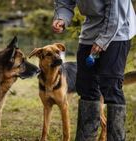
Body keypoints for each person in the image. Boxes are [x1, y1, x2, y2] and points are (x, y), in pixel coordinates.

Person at [52, 0, 136, 141]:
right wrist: (62, 17)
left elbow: (116, 12)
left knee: (110, 86)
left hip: (118, 30)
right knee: (86, 87)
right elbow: (64, 2)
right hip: (90, 31)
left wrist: (103, 40)